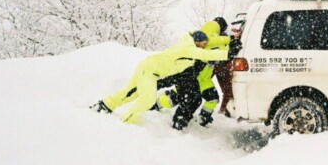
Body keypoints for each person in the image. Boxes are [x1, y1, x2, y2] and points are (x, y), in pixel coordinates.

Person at [91, 30, 241, 125]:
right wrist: (228, 54)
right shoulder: (188, 49)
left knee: (131, 92)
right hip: (149, 72)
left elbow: (210, 43)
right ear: (197, 42)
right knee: (147, 99)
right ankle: (126, 123)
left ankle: (105, 105)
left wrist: (229, 40)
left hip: (147, 67)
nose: (205, 44)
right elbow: (206, 54)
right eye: (203, 43)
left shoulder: (189, 42)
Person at [156, 17, 239, 129]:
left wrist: (232, 42)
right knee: (175, 99)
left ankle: (202, 120)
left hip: (204, 80)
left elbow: (221, 49)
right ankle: (156, 105)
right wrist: (230, 48)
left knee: (212, 99)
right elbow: (216, 52)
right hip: (191, 79)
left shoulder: (213, 40)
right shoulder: (202, 42)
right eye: (221, 30)